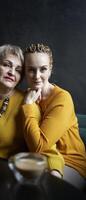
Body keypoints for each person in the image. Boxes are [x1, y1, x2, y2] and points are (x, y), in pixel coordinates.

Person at [0, 44, 64, 178]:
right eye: (7, 65)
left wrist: (55, 171)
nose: (12, 72)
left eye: (18, 70)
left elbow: (44, 146)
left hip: (10, 171)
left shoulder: (28, 103)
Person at [21, 43, 86, 189]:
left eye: (43, 69)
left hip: (71, 162)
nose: (37, 76)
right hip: (40, 160)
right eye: (31, 70)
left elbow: (39, 146)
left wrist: (28, 105)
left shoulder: (62, 98)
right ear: (24, 71)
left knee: (46, 189)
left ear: (50, 69)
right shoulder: (26, 97)